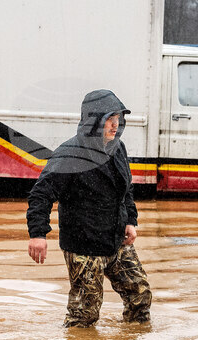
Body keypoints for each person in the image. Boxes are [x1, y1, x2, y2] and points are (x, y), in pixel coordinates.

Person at [26, 89, 152, 327]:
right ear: (94, 122)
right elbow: (41, 194)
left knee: (140, 295)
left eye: (118, 121)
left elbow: (125, 189)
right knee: (84, 315)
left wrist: (130, 221)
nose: (115, 127)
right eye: (110, 121)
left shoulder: (118, 148)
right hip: (84, 245)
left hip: (116, 240)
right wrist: (38, 234)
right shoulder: (69, 154)